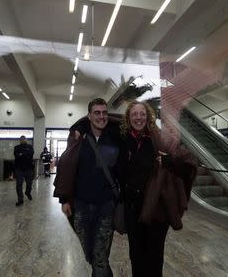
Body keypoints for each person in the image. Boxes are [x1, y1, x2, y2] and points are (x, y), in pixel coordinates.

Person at [118, 101, 197, 277]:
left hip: (157, 210)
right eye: (134, 114)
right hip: (132, 209)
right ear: (128, 118)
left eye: (142, 114)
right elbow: (97, 120)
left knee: (154, 257)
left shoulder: (159, 138)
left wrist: (170, 161)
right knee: (136, 256)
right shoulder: (123, 138)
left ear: (148, 116)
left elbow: (189, 165)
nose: (138, 118)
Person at [53, 98, 120, 277]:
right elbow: (67, 168)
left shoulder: (115, 137)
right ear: (89, 116)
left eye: (104, 112)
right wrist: (65, 199)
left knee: (99, 256)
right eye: (97, 113)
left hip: (106, 206)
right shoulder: (79, 139)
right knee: (90, 253)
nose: (101, 116)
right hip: (81, 205)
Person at [14, 135, 34, 206]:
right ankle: (20, 199)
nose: (22, 140)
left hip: (29, 168)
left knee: (29, 183)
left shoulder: (30, 147)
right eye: (21, 139)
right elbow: (16, 155)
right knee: (19, 184)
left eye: (24, 139)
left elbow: (31, 154)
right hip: (19, 169)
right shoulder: (16, 147)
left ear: (26, 140)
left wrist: (21, 154)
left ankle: (27, 193)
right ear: (20, 140)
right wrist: (25, 154)